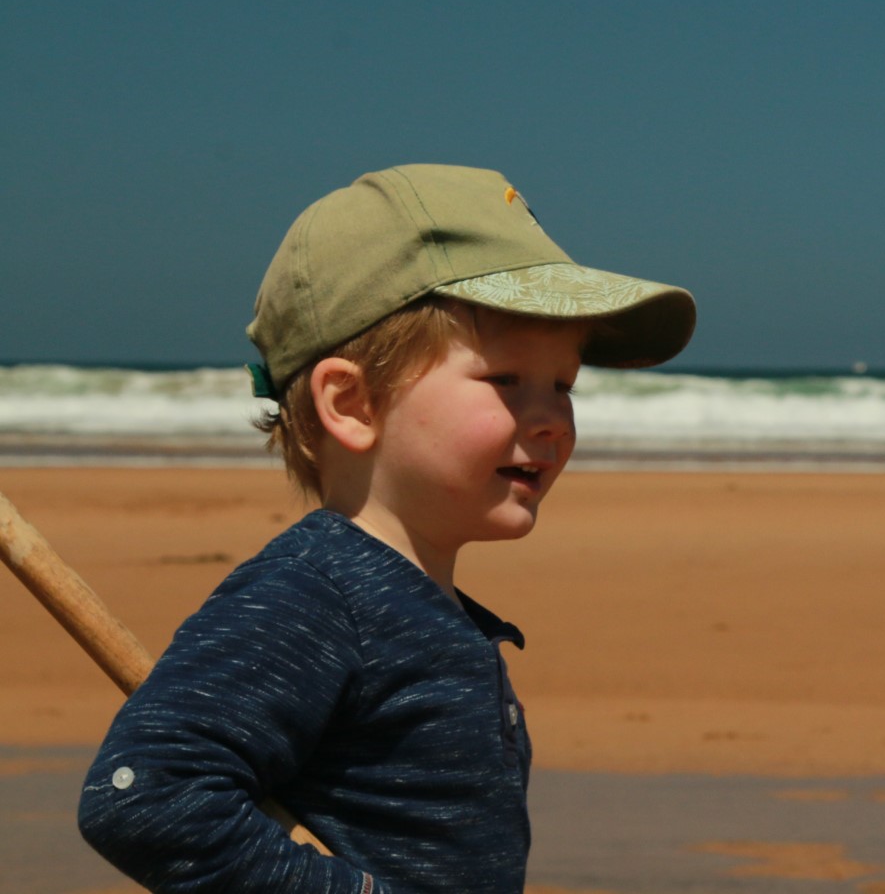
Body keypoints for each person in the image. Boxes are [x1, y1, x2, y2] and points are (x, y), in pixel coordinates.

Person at [77, 164, 696, 893]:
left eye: (563, 385)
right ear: (352, 402)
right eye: (506, 379)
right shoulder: (313, 596)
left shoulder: (419, 607)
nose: (551, 418)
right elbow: (143, 795)